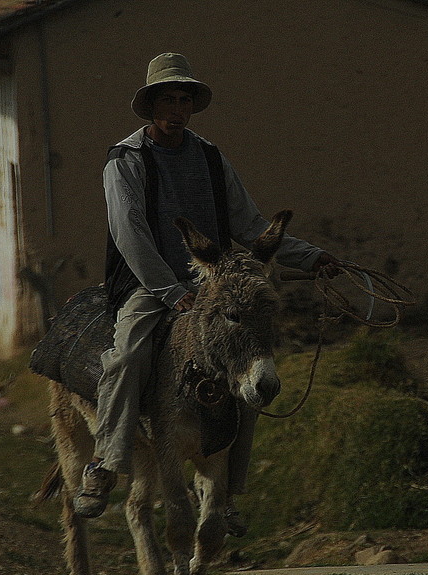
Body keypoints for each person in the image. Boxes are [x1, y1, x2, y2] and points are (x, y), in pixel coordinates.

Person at [74, 53, 340, 529]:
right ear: (151, 105)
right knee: (129, 355)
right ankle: (104, 465)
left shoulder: (211, 157)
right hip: (146, 282)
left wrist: (312, 256)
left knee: (249, 371)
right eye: (168, 99)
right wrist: (170, 291)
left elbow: (251, 224)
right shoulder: (126, 160)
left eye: (185, 99)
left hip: (215, 282)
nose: (177, 108)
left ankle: (227, 496)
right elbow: (128, 232)